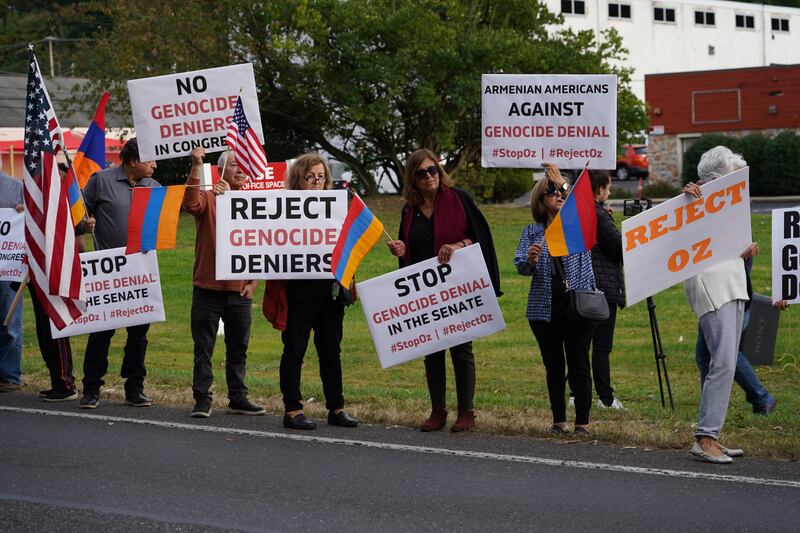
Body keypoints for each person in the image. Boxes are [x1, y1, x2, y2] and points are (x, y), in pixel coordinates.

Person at [387, 148, 501, 433]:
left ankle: (467, 412)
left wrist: (458, 246)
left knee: (461, 348)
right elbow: (409, 248)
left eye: (433, 170)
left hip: (457, 289)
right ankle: (437, 410)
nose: (429, 176)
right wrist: (402, 249)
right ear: (412, 179)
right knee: (432, 350)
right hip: (426, 293)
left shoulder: (459, 199)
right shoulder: (409, 210)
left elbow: (480, 238)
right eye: (422, 173)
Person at [263, 153, 358, 430]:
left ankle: (336, 408)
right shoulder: (282, 207)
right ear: (298, 180)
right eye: (310, 178)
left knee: (331, 350)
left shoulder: (336, 207)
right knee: (294, 350)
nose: (317, 182)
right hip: (296, 293)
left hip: (329, 292)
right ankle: (292, 410)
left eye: (321, 177)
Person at [683, 145, 754, 463]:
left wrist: (743, 251)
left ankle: (710, 433)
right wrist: (692, 200)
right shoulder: (695, 201)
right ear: (718, 179)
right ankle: (705, 437)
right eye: (734, 175)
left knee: (716, 361)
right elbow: (689, 240)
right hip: (715, 285)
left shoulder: (726, 204)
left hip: (730, 283)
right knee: (723, 362)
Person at [514, 165, 596, 435]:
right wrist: (531, 260)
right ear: (540, 200)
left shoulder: (576, 225)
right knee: (554, 366)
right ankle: (559, 420)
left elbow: (579, 202)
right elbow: (520, 265)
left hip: (578, 306)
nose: (559, 195)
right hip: (544, 309)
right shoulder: (532, 232)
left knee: (579, 363)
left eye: (562, 191)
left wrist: (561, 181)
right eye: (551, 191)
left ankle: (582, 422)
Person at [182, 147, 264, 418]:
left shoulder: (256, 204)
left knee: (238, 347)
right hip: (207, 288)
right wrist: (196, 165)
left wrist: (254, 283)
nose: (240, 170)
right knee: (204, 347)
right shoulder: (210, 197)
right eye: (234, 165)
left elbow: (265, 248)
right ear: (220, 171)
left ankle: (238, 397)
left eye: (244, 165)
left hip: (240, 291)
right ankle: (202, 399)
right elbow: (190, 204)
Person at [80, 138, 158, 409]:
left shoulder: (154, 186)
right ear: (133, 161)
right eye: (150, 160)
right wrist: (83, 224)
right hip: (108, 272)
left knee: (139, 333)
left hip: (141, 271)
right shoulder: (100, 180)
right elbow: (77, 211)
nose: (155, 165)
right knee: (101, 332)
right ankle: (91, 388)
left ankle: (135, 387)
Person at [696, 257, 786, 416]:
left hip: (729, 300)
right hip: (714, 298)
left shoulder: (738, 237)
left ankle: (761, 398)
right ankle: (709, 406)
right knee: (705, 355)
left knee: (727, 353)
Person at [587, 170, 626, 410]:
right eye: (608, 188)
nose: (609, 193)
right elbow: (619, 247)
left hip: (589, 287)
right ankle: (605, 398)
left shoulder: (586, 211)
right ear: (600, 189)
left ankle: (575, 392)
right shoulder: (599, 214)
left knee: (583, 344)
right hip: (603, 287)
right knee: (602, 345)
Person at [0, 165, 23, 393]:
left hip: (8, 268)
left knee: (9, 322)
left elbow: (30, 217)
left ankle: (8, 376)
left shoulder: (16, 187)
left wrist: (22, 211)